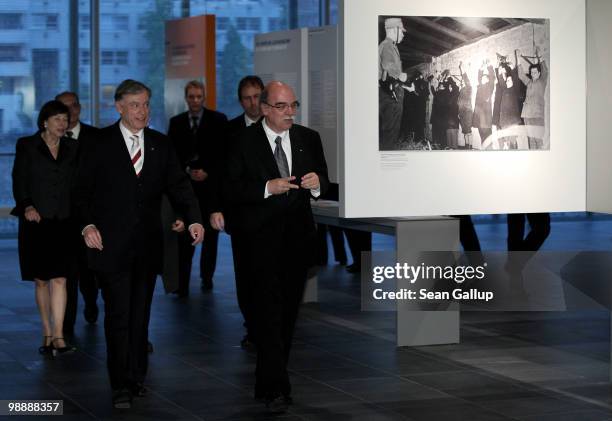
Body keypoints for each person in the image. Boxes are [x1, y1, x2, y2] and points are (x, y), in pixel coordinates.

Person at [73, 79, 204, 408]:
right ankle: (119, 385)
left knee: (140, 316)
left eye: (146, 104)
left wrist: (194, 217)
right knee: (118, 314)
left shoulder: (160, 144)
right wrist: (87, 225)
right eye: (135, 105)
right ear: (119, 107)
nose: (142, 111)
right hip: (110, 247)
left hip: (147, 246)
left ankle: (136, 378)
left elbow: (179, 184)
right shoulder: (99, 143)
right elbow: (80, 192)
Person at [224, 81, 329, 413]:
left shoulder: (308, 139)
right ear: (265, 109)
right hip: (257, 241)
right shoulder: (242, 141)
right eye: (282, 107)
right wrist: (267, 187)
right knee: (266, 314)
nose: (290, 113)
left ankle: (268, 380)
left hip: (297, 241)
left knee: (286, 315)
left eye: (293, 105)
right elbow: (230, 188)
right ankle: (277, 386)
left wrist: (316, 185)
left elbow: (325, 180)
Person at [11, 100, 78, 356]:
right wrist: (27, 205)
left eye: (66, 119)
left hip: (64, 221)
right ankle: (47, 332)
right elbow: (19, 180)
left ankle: (60, 336)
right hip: (36, 222)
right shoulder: (27, 145)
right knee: (41, 280)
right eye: (58, 119)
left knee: (61, 278)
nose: (64, 124)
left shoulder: (73, 147)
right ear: (45, 121)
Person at [209, 75, 264, 348]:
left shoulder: (278, 126)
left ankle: (267, 325)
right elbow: (219, 174)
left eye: (257, 96)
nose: (253, 103)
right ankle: (252, 325)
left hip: (273, 215)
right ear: (240, 101)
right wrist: (216, 208)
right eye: (247, 98)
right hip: (242, 216)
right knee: (246, 273)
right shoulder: (228, 131)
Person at [167, 80, 227, 295]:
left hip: (210, 189)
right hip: (187, 188)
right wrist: (186, 171)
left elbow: (223, 152)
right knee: (185, 238)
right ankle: (182, 282)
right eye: (191, 96)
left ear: (204, 97)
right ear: (186, 98)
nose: (194, 100)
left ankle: (207, 277)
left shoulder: (219, 120)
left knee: (211, 237)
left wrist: (208, 171)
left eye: (198, 96)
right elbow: (171, 155)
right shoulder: (176, 122)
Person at [55, 91, 101, 332]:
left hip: (89, 216)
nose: (70, 111)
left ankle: (92, 302)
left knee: (88, 270)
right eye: (64, 107)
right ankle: (67, 322)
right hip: (63, 218)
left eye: (74, 106)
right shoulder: (51, 138)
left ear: (80, 108)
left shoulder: (97, 137)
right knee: (67, 272)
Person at [379, 17, 409, 150]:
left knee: (390, 132)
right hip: (390, 96)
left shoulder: (389, 45)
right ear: (393, 30)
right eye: (401, 31)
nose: (402, 34)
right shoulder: (388, 45)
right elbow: (387, 65)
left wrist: (405, 86)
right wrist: (400, 75)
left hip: (390, 93)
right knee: (391, 134)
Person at [516, 48, 548, 149]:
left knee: (538, 140)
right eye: (532, 72)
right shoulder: (529, 82)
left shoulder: (542, 81)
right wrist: (518, 58)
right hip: (527, 116)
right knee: (531, 140)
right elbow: (521, 75)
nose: (533, 74)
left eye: (535, 72)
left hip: (537, 116)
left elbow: (545, 71)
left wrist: (540, 56)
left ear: (539, 73)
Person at [471, 60, 495, 146]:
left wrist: (489, 67)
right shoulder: (480, 87)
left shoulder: (490, 86)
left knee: (488, 141)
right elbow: (479, 78)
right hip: (479, 120)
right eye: (482, 78)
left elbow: (492, 78)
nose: (482, 79)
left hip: (486, 120)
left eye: (485, 77)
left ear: (488, 80)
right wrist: (481, 68)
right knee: (483, 141)